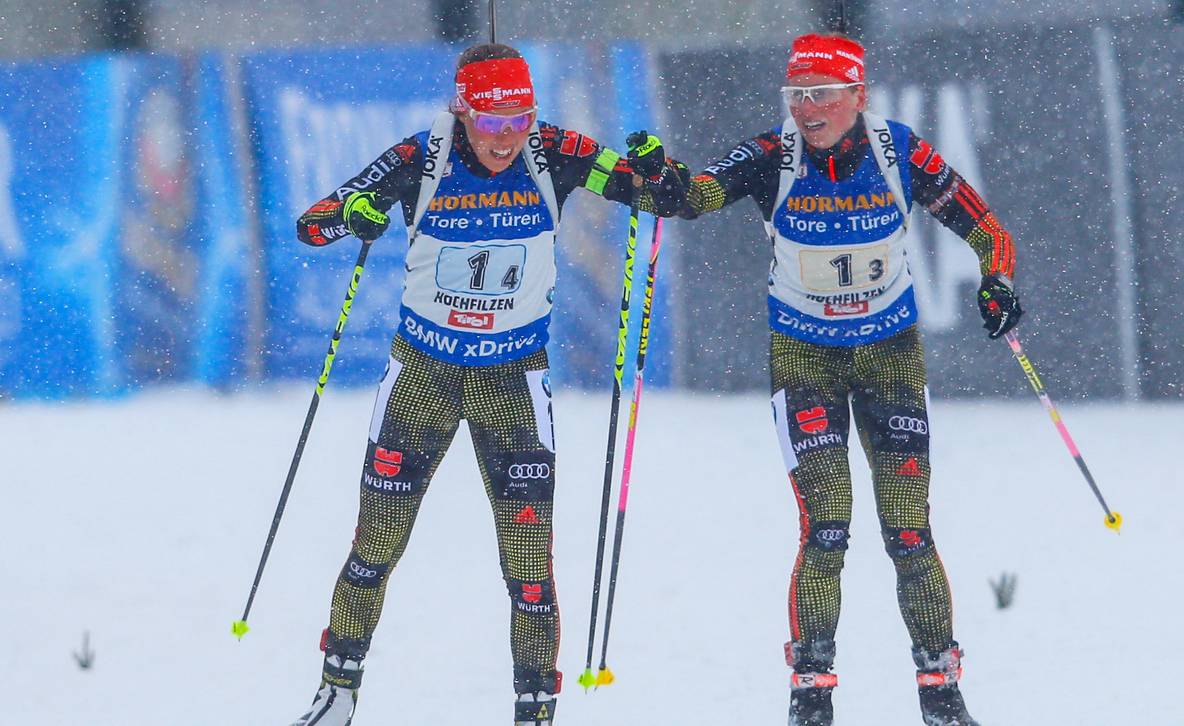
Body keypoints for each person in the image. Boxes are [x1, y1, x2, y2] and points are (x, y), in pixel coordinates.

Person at [287, 43, 684, 726]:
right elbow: (314, 221)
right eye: (491, 119)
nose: (506, 137)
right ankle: (337, 693)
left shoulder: (554, 149)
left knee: (529, 568)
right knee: (376, 546)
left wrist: (657, 169)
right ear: (460, 109)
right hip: (425, 376)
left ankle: (535, 710)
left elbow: (666, 196)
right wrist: (352, 214)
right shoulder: (422, 158)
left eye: (520, 119)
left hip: (512, 382)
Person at [669, 33, 1022, 726]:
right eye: (797, 95)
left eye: (823, 94)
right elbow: (695, 196)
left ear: (859, 95)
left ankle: (942, 694)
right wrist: (658, 178)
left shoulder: (897, 152)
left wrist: (998, 278)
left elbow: (985, 226)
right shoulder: (772, 154)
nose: (808, 109)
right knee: (826, 527)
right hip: (805, 361)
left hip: (889, 355)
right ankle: (811, 696)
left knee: (909, 532)